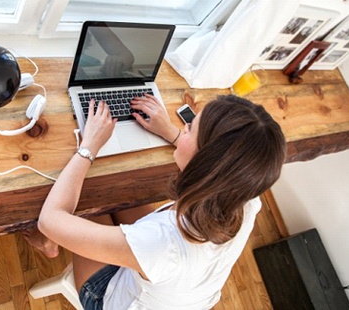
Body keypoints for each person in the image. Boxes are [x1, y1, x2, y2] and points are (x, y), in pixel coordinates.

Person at [25, 94, 286, 309]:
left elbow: (51, 219)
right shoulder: (245, 196)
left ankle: (47, 244)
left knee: (88, 195)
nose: (183, 126)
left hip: (111, 298)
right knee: (119, 192)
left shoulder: (163, 244)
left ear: (205, 161)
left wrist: (89, 145)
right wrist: (171, 133)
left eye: (190, 128)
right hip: (182, 290)